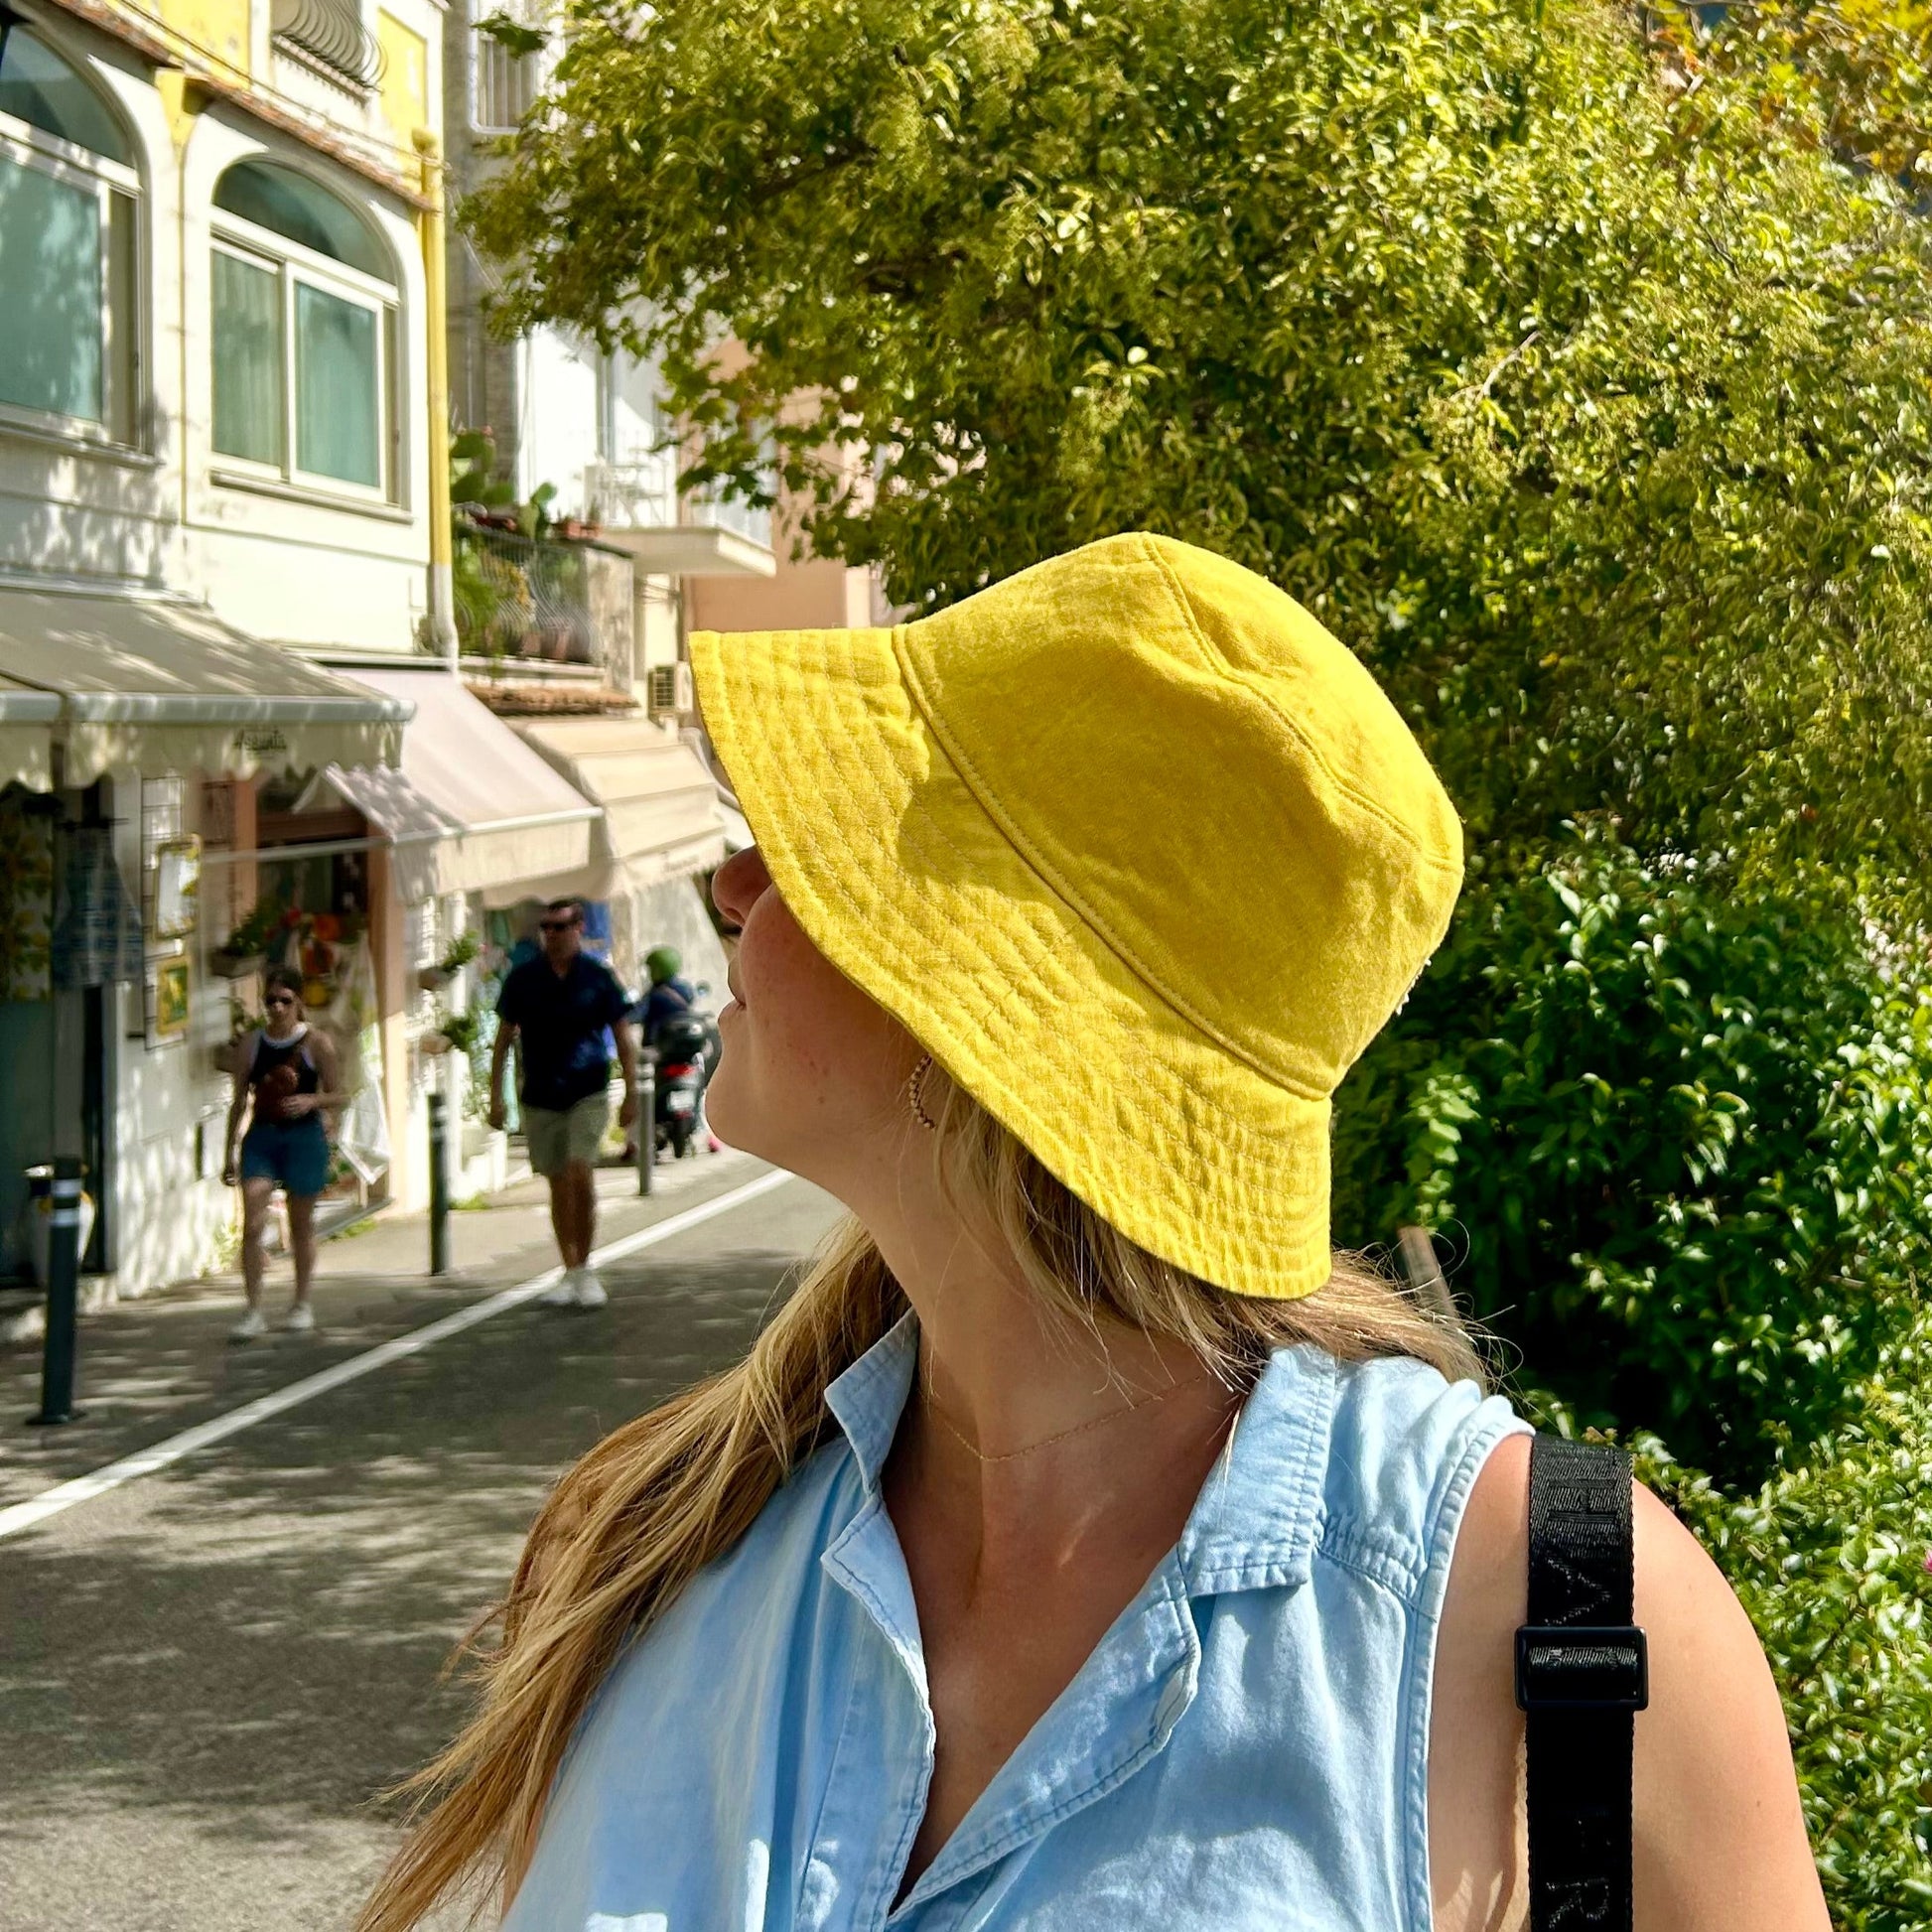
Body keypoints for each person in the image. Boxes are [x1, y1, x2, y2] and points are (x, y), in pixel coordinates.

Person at [362, 536, 1825, 1932]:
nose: (736, 885)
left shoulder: (1552, 1616)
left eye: (823, 846)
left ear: (984, 1015)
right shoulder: (646, 1539)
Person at [487, 897, 637, 1310]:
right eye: (546, 927)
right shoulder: (523, 978)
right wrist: (495, 1097)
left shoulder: (597, 977)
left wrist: (631, 1096)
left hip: (587, 1089)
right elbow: (502, 1040)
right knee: (556, 1181)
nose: (552, 934)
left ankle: (586, 1267)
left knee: (579, 1170)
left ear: (579, 928)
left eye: (561, 926)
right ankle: (569, 1269)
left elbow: (623, 1036)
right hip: (540, 1093)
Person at [221, 967, 345, 1341]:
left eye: (284, 1000)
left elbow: (342, 1094)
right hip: (262, 1136)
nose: (276, 1008)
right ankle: (253, 1309)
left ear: (298, 1002)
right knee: (253, 1224)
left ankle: (301, 1302)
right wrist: (229, 1151)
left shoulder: (316, 1043)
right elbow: (240, 1098)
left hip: (303, 1137)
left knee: (301, 1222)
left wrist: (314, 1099)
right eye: (270, 1000)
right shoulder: (252, 1044)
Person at [637, 944, 696, 1047]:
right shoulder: (686, 989)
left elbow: (637, 1015)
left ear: (657, 970)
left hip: (657, 1047)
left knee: (643, 1061)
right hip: (681, 1045)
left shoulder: (655, 995)